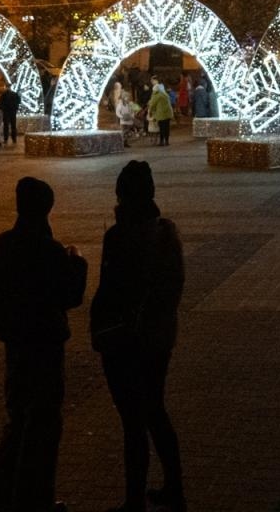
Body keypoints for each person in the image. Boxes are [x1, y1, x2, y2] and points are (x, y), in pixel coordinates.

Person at [0, 176, 87, 512]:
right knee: (43, 422)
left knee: (17, 416)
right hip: (44, 344)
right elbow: (71, 295)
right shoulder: (47, 249)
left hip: (15, 342)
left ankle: (1, 490)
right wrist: (78, 264)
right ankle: (35, 499)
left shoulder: (2, 244)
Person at [90, 160, 186, 512]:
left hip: (127, 341)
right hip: (159, 337)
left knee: (133, 421)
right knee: (155, 410)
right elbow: (174, 287)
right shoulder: (166, 233)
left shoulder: (119, 236)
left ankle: (134, 499)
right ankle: (174, 486)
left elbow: (110, 290)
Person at [147, 80, 173, 147]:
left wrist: (150, 111)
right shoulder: (164, 93)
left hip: (161, 114)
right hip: (168, 113)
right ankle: (167, 141)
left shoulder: (156, 95)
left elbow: (152, 104)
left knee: (161, 128)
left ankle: (161, 141)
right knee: (167, 127)